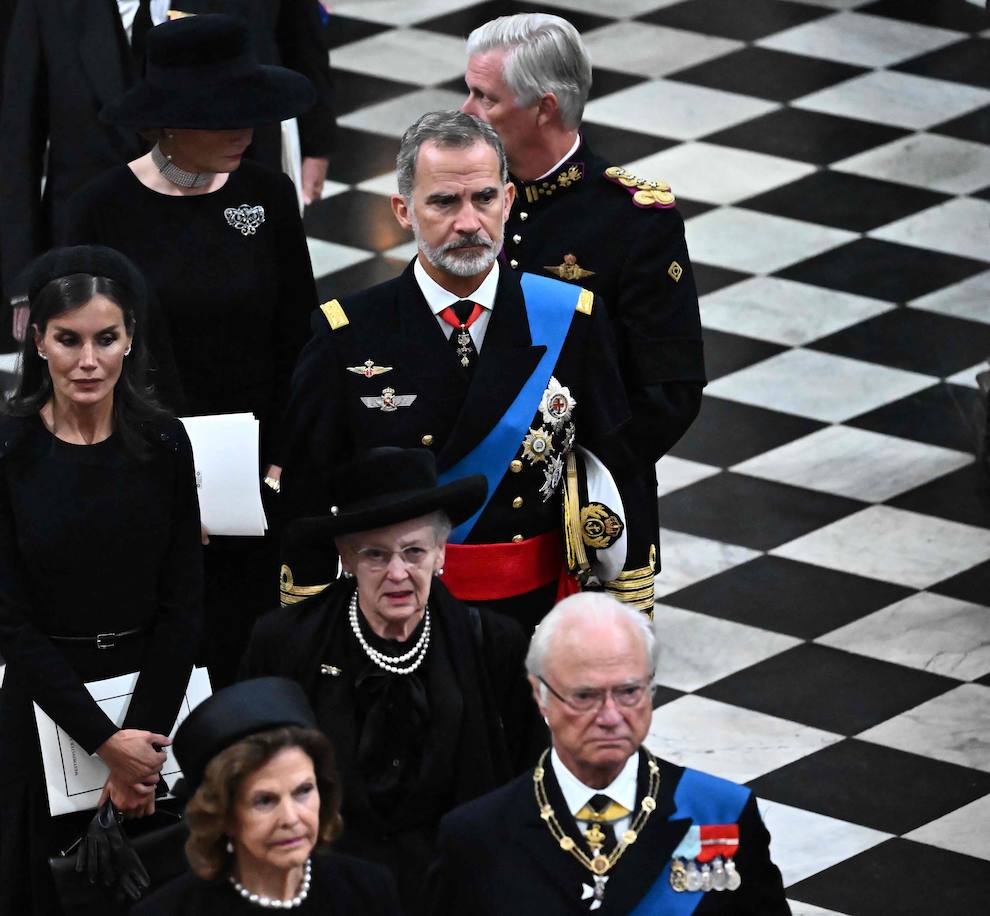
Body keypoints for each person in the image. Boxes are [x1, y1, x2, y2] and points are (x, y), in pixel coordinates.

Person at [278, 110, 631, 636]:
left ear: (507, 201)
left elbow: (618, 464)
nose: (468, 222)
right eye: (444, 202)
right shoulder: (346, 334)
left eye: (484, 198)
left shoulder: (571, 319)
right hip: (395, 616)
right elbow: (306, 493)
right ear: (404, 211)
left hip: (534, 615)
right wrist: (309, 625)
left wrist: (625, 594)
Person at [68, 13, 321, 687]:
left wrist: (278, 464)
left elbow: (300, 338)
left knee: (248, 660)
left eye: (251, 112)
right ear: (171, 123)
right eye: (224, 117)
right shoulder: (101, 210)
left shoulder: (267, 194)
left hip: (256, 480)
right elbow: (85, 364)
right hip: (141, 475)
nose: (247, 131)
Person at [0, 246, 202, 915]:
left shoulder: (165, 443)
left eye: (106, 338)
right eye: (69, 340)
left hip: (154, 701)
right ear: (39, 341)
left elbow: (184, 603)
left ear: (130, 339)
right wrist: (106, 743)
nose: (88, 361)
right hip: (48, 701)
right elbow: (9, 621)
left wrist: (141, 749)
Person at [462, 14, 707, 614]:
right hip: (469, 514)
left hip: (584, 521)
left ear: (543, 108)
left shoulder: (632, 221)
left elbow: (669, 390)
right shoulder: (463, 199)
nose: (465, 112)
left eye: (485, 98)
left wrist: (567, 476)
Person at [243, 447, 537, 913]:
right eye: (376, 555)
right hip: (327, 893)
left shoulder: (494, 644)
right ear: (346, 558)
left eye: (414, 551)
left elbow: (527, 778)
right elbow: (248, 775)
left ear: (440, 552)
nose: (397, 573)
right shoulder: (285, 642)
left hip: (455, 892)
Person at [426, 593, 789, 914]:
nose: (611, 717)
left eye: (628, 692)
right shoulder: (477, 836)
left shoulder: (720, 813)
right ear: (541, 695)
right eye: (585, 696)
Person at [0, 0, 335, 303]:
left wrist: (316, 141)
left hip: (212, 235)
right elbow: (19, 135)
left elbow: (291, 37)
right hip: (89, 246)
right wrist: (22, 279)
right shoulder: (87, 208)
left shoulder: (270, 192)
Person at [133, 677, 403, 914]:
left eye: (303, 791)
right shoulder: (168, 911)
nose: (290, 818)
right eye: (264, 800)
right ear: (222, 814)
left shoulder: (368, 888)